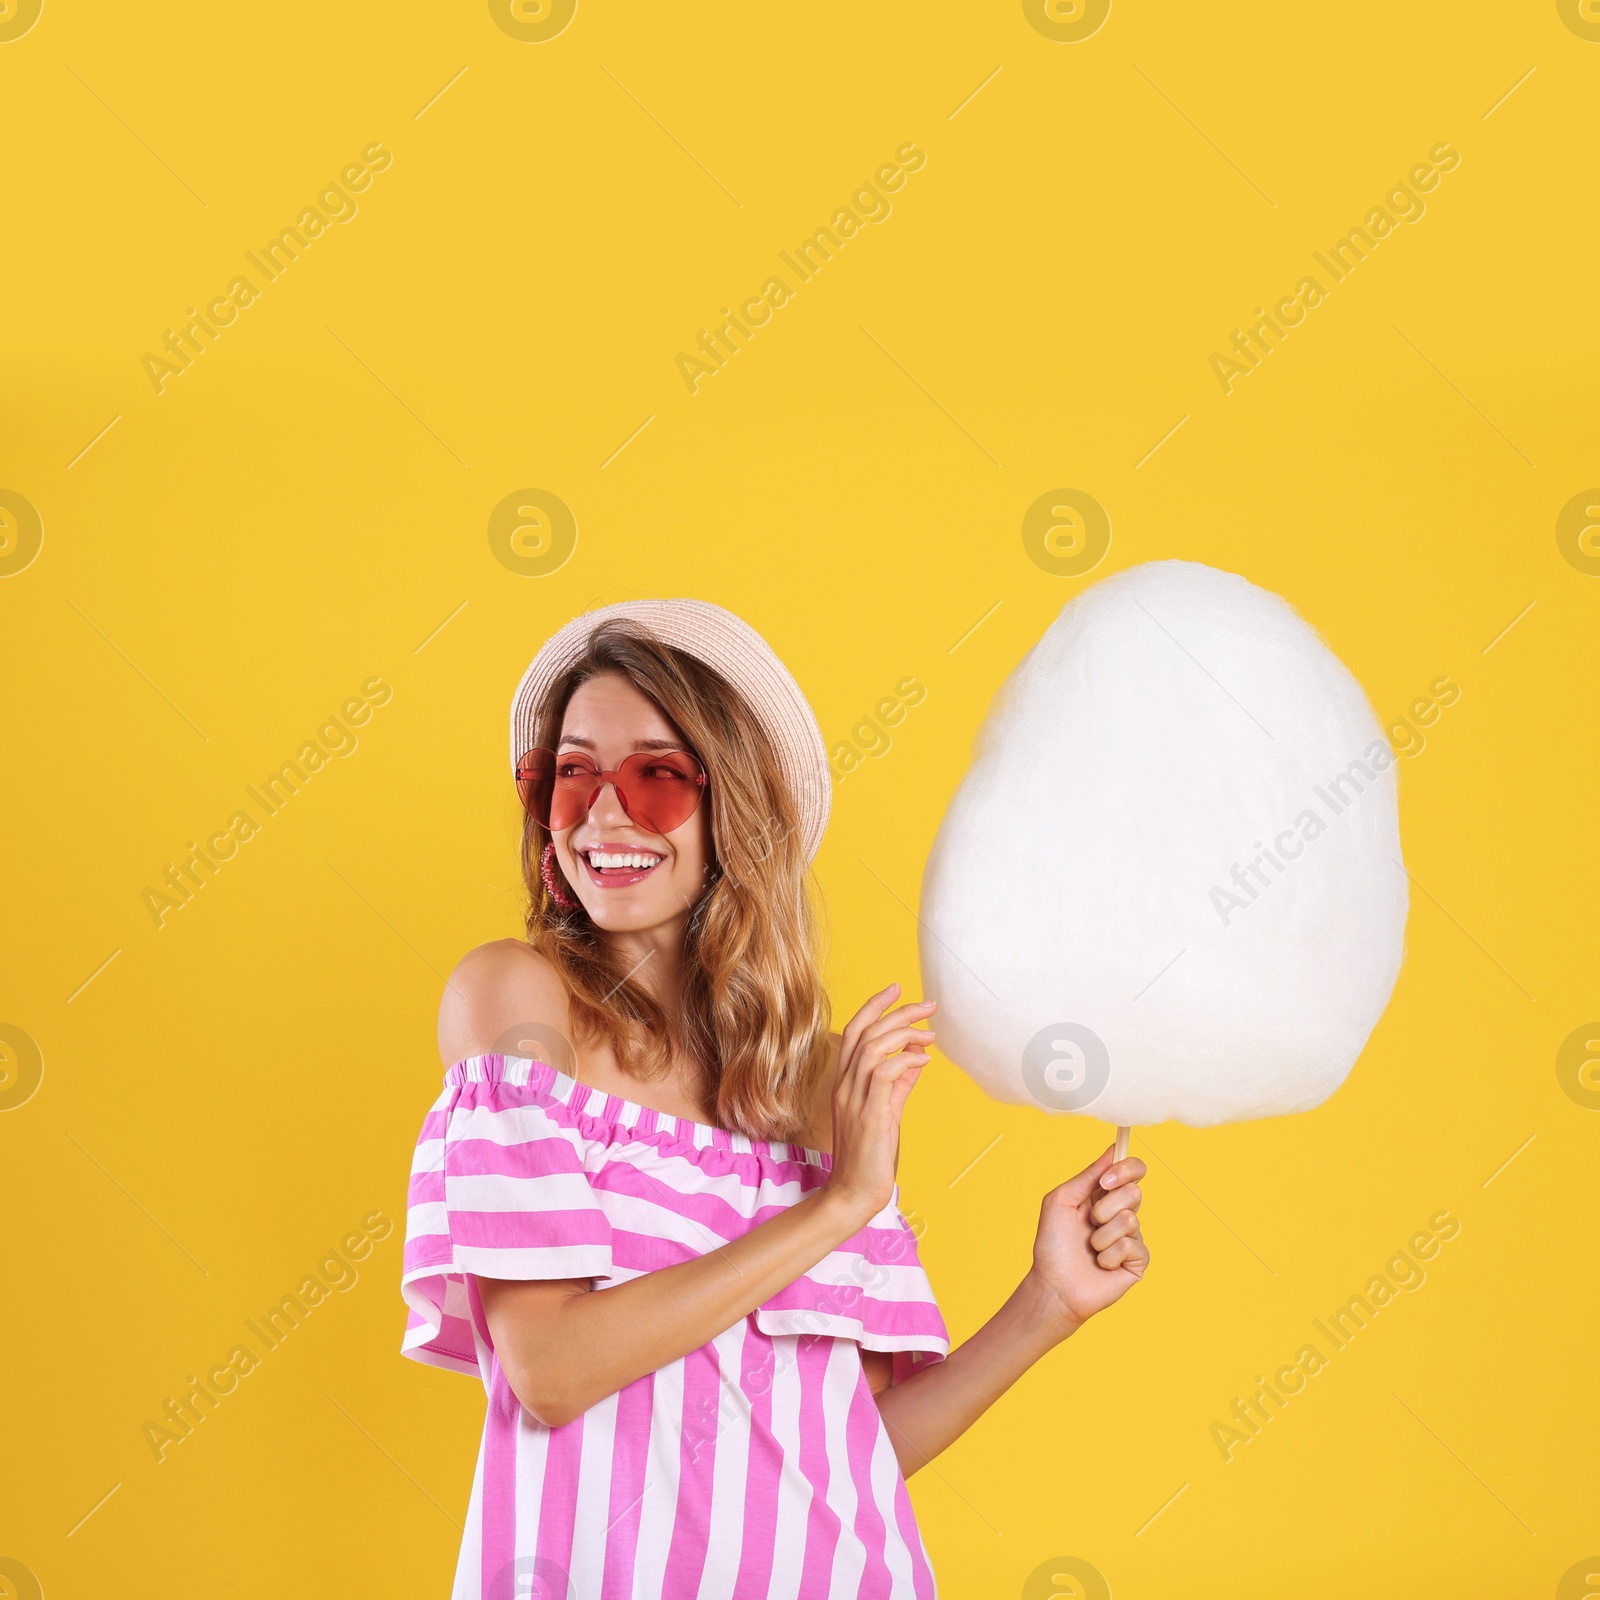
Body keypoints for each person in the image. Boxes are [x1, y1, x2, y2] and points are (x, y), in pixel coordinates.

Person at [399, 600, 1149, 1599]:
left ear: (737, 809)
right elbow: (550, 1370)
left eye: (656, 776)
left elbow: (847, 1444)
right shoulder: (516, 1001)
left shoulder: (814, 1082)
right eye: (570, 772)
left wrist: (1044, 1305)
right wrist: (837, 1206)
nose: (603, 813)